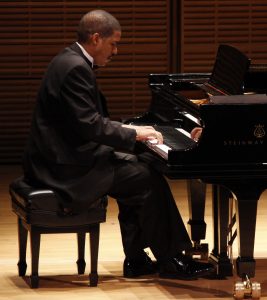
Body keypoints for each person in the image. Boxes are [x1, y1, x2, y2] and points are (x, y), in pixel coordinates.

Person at [22, 9, 213, 280]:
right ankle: (172, 259)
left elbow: (88, 122)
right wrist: (134, 134)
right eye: (114, 43)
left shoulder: (69, 59)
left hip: (61, 156)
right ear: (96, 38)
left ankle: (136, 260)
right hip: (65, 168)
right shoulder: (76, 67)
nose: (116, 51)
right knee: (145, 178)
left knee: (140, 167)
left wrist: (130, 133)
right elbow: (90, 125)